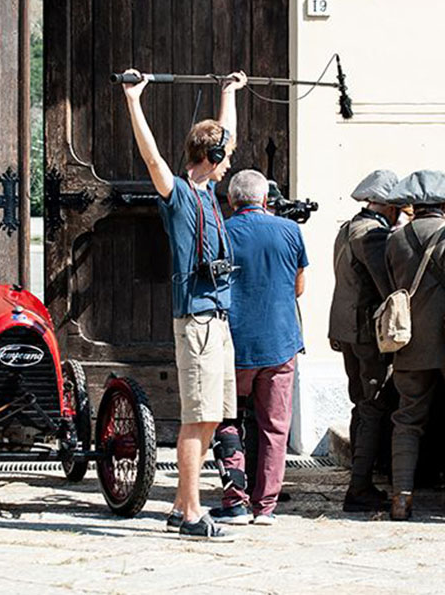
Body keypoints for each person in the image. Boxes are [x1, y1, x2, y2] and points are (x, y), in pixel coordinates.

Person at [121, 67, 248, 541]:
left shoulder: (209, 193)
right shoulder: (176, 194)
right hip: (196, 320)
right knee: (198, 418)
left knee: (214, 415)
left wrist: (228, 93)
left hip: (218, 318)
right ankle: (191, 513)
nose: (230, 164)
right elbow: (151, 156)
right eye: (225, 157)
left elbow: (226, 134)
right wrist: (134, 101)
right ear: (210, 157)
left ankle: (180, 505)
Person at [382, 170, 445, 520]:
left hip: (408, 342)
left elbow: (390, 287)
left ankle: (401, 497)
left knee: (407, 420)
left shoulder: (394, 239)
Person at [209, 170, 308, 527]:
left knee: (227, 420)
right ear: (266, 199)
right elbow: (298, 287)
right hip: (280, 342)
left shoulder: (220, 231)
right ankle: (265, 507)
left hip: (232, 343)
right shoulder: (291, 231)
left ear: (232, 201)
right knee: (275, 427)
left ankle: (234, 498)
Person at [328, 169, 402, 512]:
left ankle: (360, 480)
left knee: (361, 404)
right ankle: (359, 487)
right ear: (387, 204)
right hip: (365, 332)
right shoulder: (372, 234)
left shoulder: (347, 228)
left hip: (346, 329)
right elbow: (386, 285)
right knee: (372, 407)